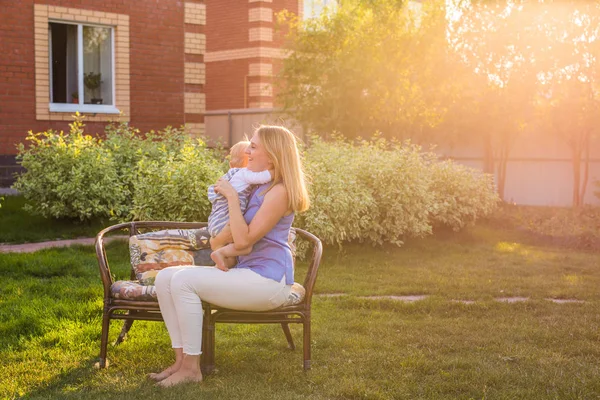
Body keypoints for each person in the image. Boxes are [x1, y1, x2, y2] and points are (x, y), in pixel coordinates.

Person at [150, 125, 310, 387]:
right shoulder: (255, 188)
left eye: (254, 146)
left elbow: (244, 240)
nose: (247, 150)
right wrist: (226, 239)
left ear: (272, 155)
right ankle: (180, 362)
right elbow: (218, 241)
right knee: (166, 277)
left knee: (182, 281)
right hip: (246, 273)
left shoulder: (279, 192)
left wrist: (232, 199)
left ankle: (191, 369)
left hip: (269, 281)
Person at [206, 140, 273, 271]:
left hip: (216, 222)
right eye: (248, 158)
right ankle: (220, 261)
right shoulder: (243, 173)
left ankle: (219, 268)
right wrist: (277, 171)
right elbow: (264, 177)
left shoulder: (232, 178)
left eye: (253, 149)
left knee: (228, 258)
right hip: (225, 221)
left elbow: (215, 243)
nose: (250, 155)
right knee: (245, 247)